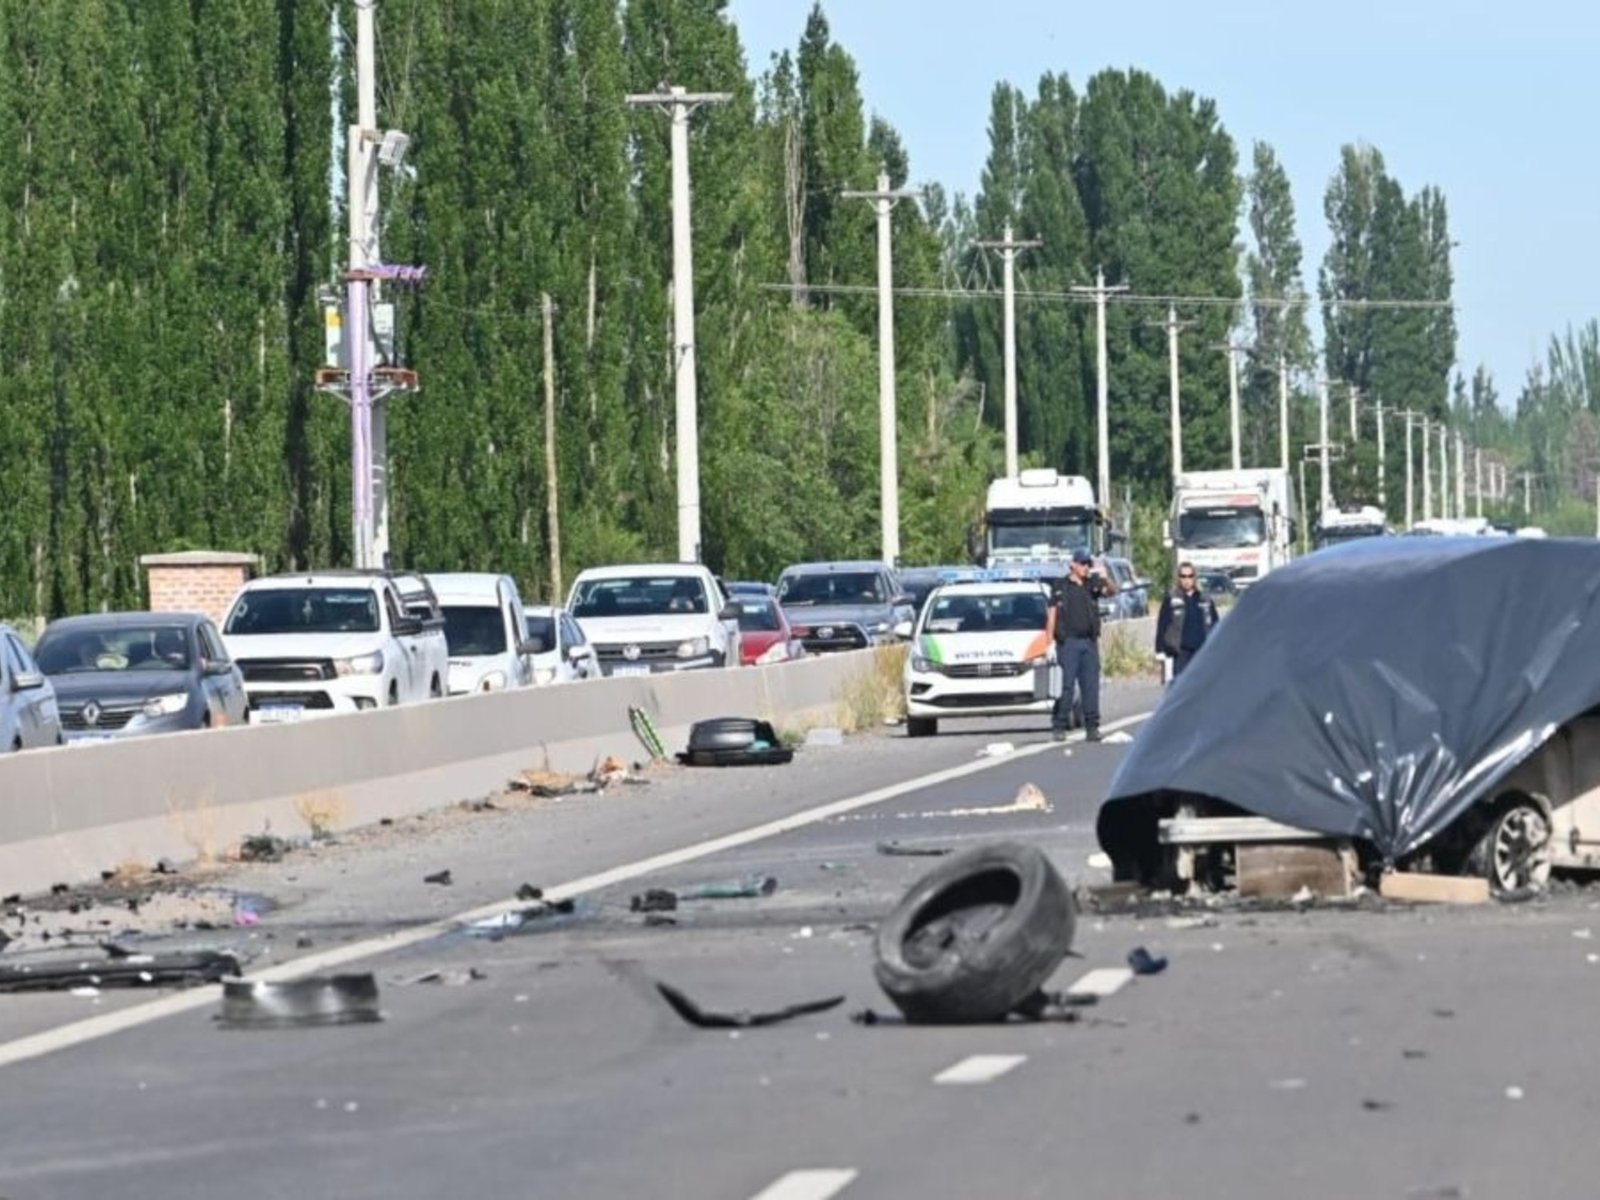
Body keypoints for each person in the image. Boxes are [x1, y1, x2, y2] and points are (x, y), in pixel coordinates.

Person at [1047, 548, 1116, 742]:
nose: (1086, 568)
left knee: (1090, 687)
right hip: (1067, 642)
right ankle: (1059, 724)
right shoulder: (1060, 586)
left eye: (1089, 564)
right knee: (1066, 687)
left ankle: (1092, 726)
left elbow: (1112, 591)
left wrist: (1105, 576)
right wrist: (1049, 644)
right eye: (1083, 564)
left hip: (1088, 642)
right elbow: (1052, 616)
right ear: (1074, 565)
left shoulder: (1092, 584)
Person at [1155, 561, 1220, 679]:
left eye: (1190, 576)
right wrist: (1160, 650)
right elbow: (1162, 625)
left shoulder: (1205, 599)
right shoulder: (1171, 599)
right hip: (1180, 652)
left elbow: (1216, 624)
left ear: (1195, 577)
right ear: (1178, 578)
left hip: (1202, 651)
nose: (1186, 580)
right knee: (1180, 687)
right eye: (1183, 576)